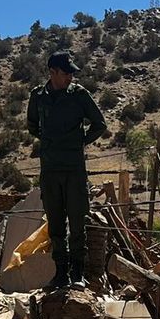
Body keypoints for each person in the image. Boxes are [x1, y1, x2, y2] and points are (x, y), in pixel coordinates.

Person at [27, 50, 107, 291]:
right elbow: (32, 125)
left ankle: (77, 275)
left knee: (78, 223)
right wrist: (50, 142)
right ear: (52, 72)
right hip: (50, 170)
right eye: (66, 72)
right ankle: (60, 274)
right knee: (56, 225)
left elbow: (99, 124)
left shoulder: (79, 95)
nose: (70, 77)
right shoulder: (38, 97)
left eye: (72, 73)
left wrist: (78, 141)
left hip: (74, 169)